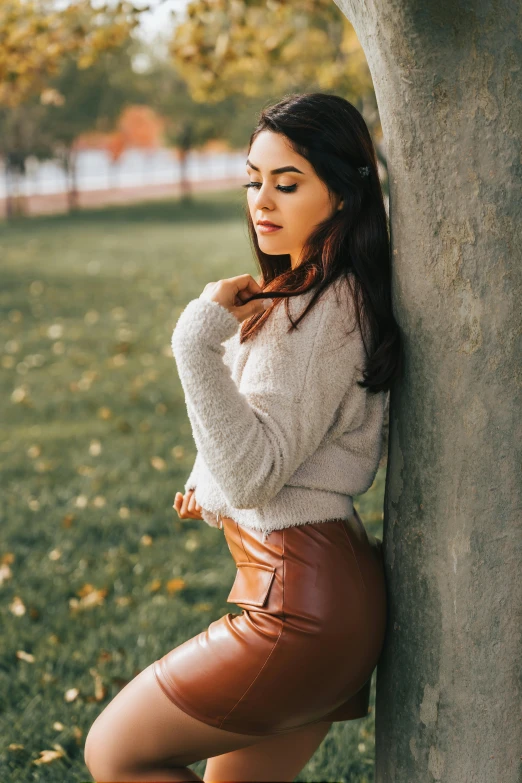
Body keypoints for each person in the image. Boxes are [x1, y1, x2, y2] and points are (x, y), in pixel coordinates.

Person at [84, 91, 402, 783]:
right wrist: (211, 484)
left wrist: (194, 343)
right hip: (334, 594)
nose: (263, 200)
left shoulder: (314, 316)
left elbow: (258, 473)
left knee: (114, 753)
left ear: (344, 195)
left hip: (298, 606)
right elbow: (280, 439)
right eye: (253, 180)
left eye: (288, 183)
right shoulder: (327, 294)